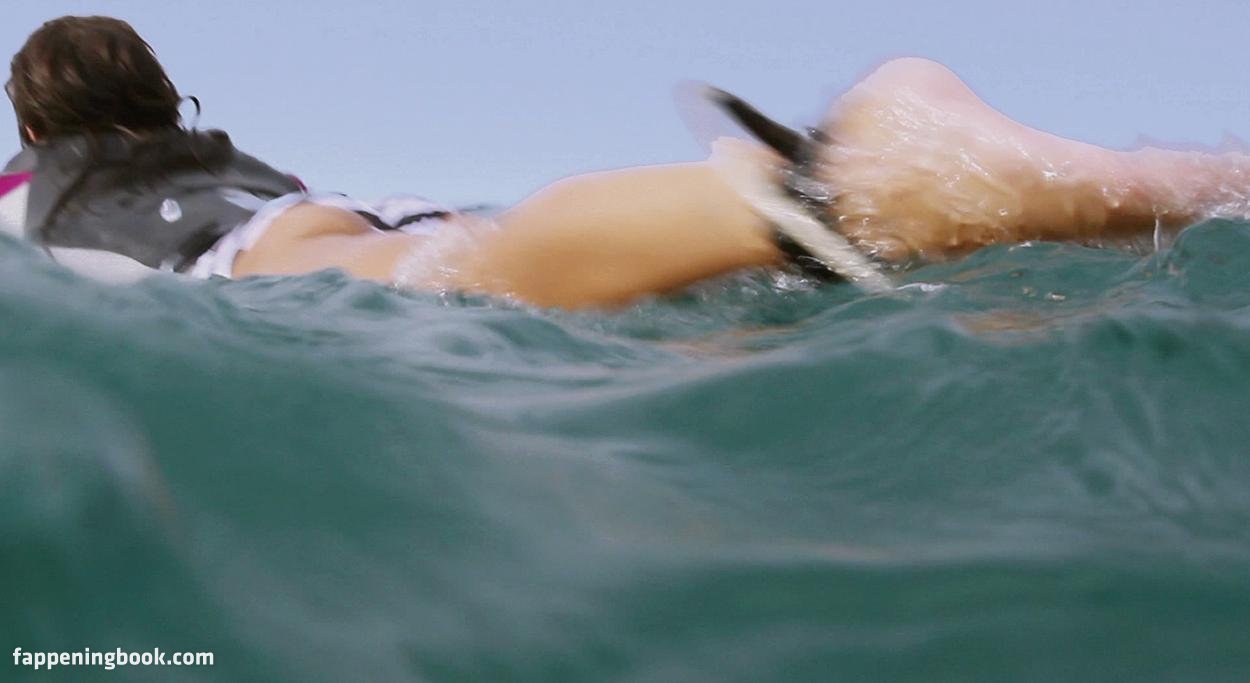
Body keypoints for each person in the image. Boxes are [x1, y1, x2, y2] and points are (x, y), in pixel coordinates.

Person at [3, 16, 1248, 309]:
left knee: (475, 275)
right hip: (360, 214)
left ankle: (854, 184)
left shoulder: (37, 187)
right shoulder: (225, 157)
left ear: (36, 128)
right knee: (481, 257)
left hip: (270, 268)